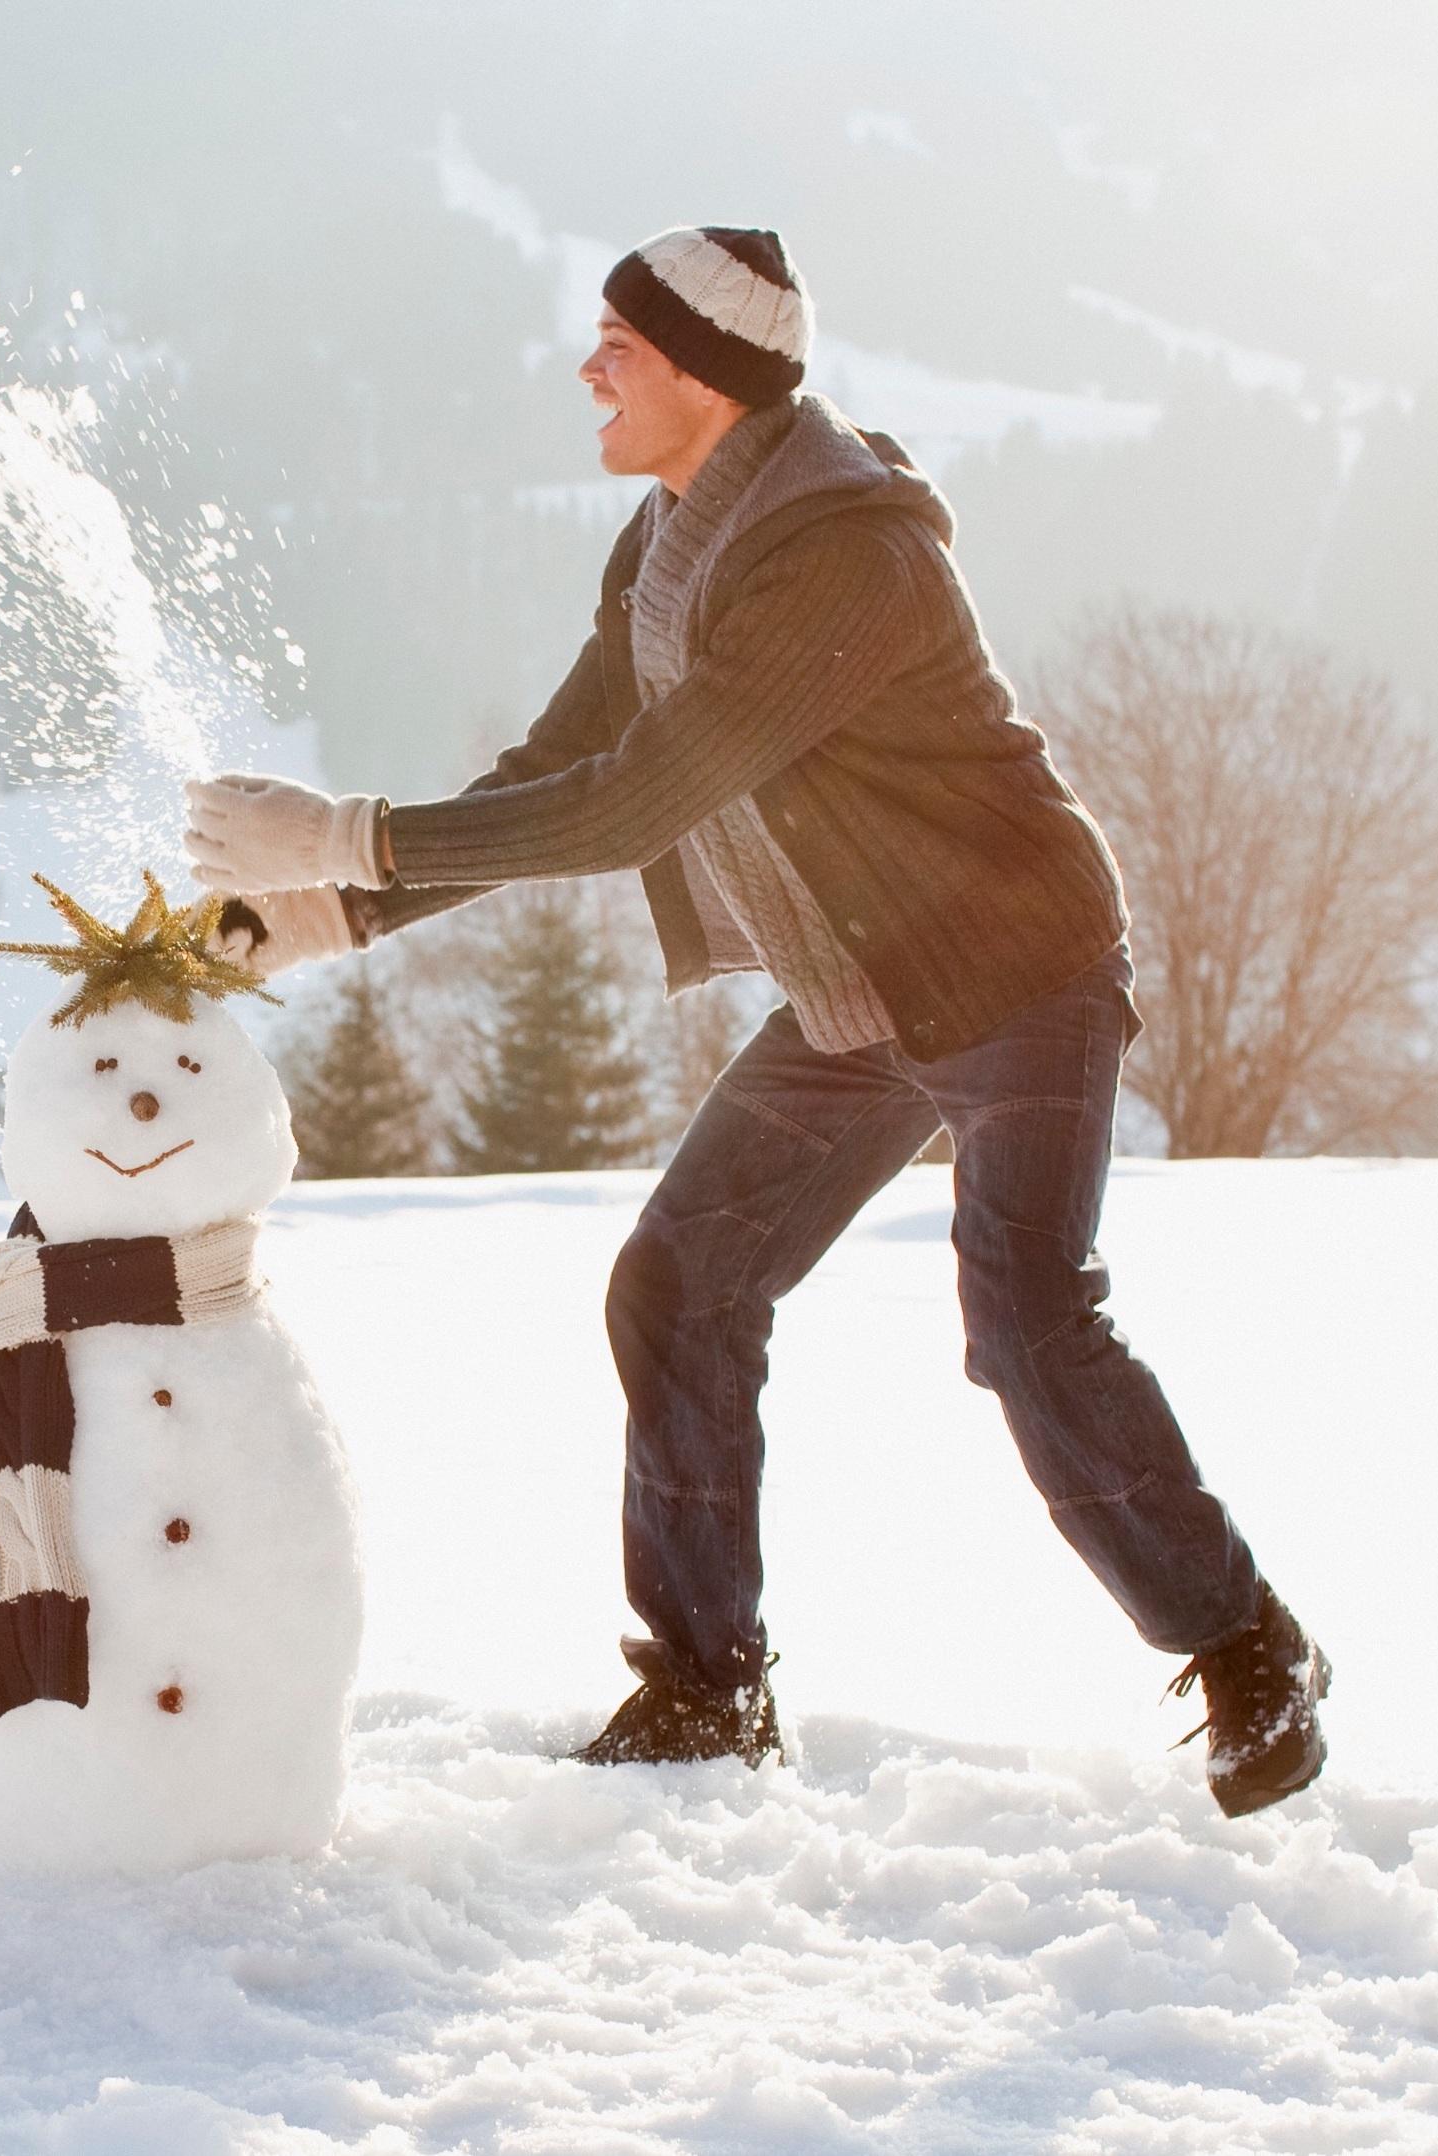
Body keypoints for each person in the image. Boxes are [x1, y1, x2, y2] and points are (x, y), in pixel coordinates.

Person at [182, 227, 1329, 1816]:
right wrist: (340, 911)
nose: (588, 367)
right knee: (679, 1285)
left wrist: (352, 834)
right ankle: (707, 1692)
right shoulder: (661, 546)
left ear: (707, 377)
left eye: (620, 347)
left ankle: (1251, 1648)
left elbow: (650, 797)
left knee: (1023, 1317)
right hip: (858, 994)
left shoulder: (846, 553)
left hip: (1017, 977)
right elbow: (557, 772)